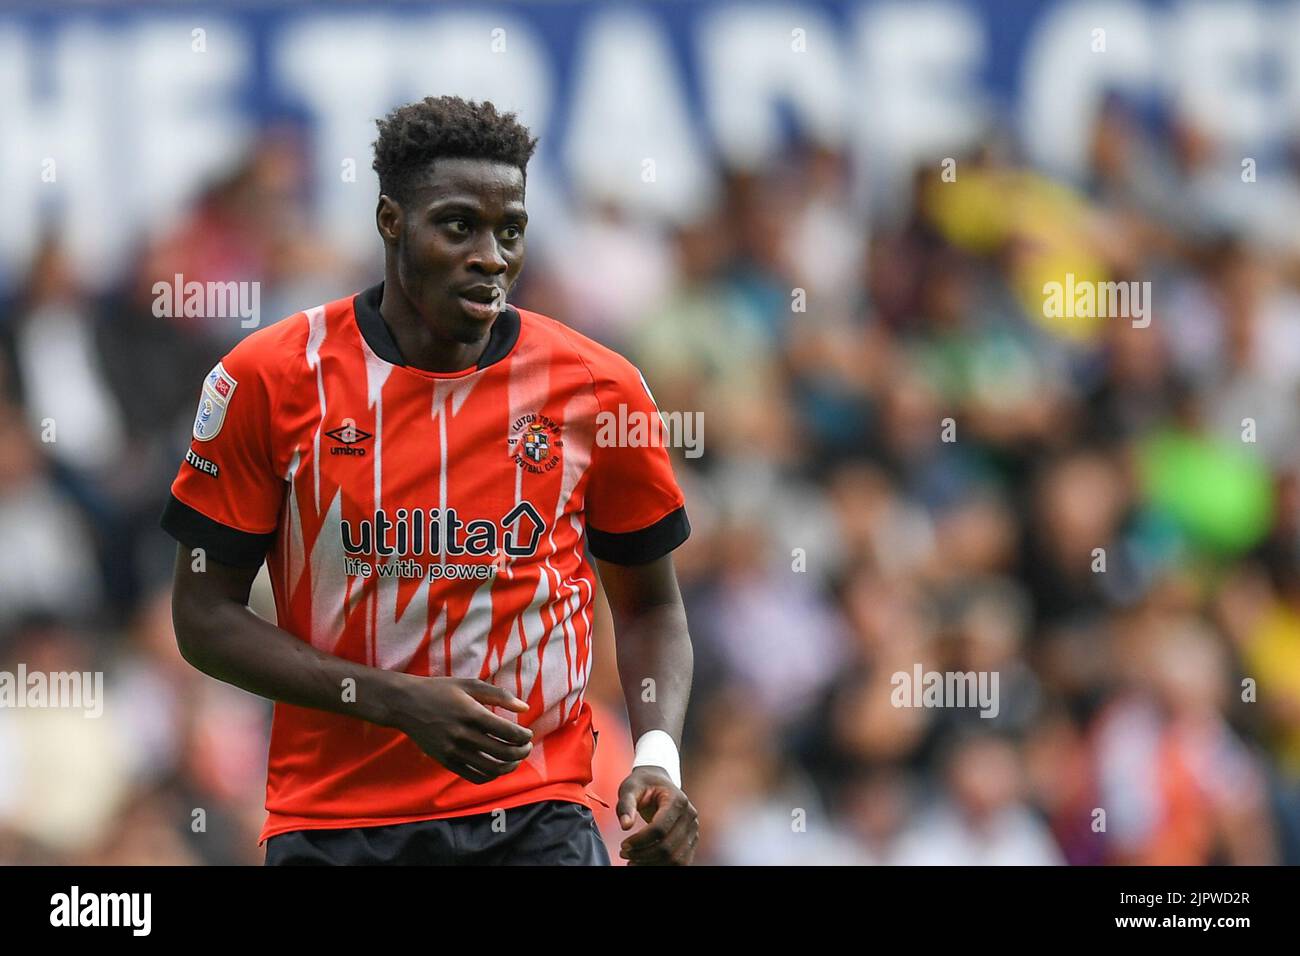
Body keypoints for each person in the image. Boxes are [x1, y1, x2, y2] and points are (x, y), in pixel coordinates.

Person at [161, 95, 698, 865]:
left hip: (533, 816)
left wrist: (658, 757)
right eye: (458, 226)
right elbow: (202, 617)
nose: (491, 256)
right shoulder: (270, 380)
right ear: (390, 221)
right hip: (333, 825)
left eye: (509, 230)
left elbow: (651, 608)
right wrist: (393, 702)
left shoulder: (599, 389)